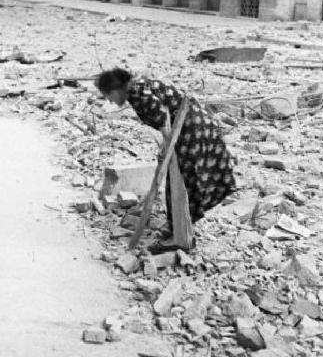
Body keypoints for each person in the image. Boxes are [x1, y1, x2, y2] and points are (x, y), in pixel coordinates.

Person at [96, 68, 236, 251]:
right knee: (180, 181)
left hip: (190, 129)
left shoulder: (136, 91)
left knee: (180, 182)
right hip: (192, 125)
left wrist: (167, 145)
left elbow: (162, 116)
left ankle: (181, 238)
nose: (110, 101)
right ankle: (181, 229)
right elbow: (164, 113)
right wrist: (166, 144)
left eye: (109, 95)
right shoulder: (137, 86)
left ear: (117, 88)